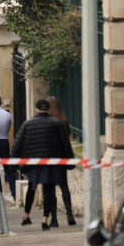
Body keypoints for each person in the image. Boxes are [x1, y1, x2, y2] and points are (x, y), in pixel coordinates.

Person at [12, 98, 74, 231]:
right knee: (49, 191)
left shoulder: (28, 124)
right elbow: (66, 144)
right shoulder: (57, 123)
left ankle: (25, 216)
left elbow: (17, 144)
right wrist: (70, 161)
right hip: (51, 163)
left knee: (32, 188)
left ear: (36, 108)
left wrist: (13, 163)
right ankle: (45, 221)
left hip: (33, 163)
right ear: (47, 109)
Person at [47, 96, 76, 226]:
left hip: (48, 159)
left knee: (50, 189)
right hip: (61, 158)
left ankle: (54, 219)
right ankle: (69, 214)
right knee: (64, 186)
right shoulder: (63, 121)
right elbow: (67, 140)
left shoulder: (46, 122)